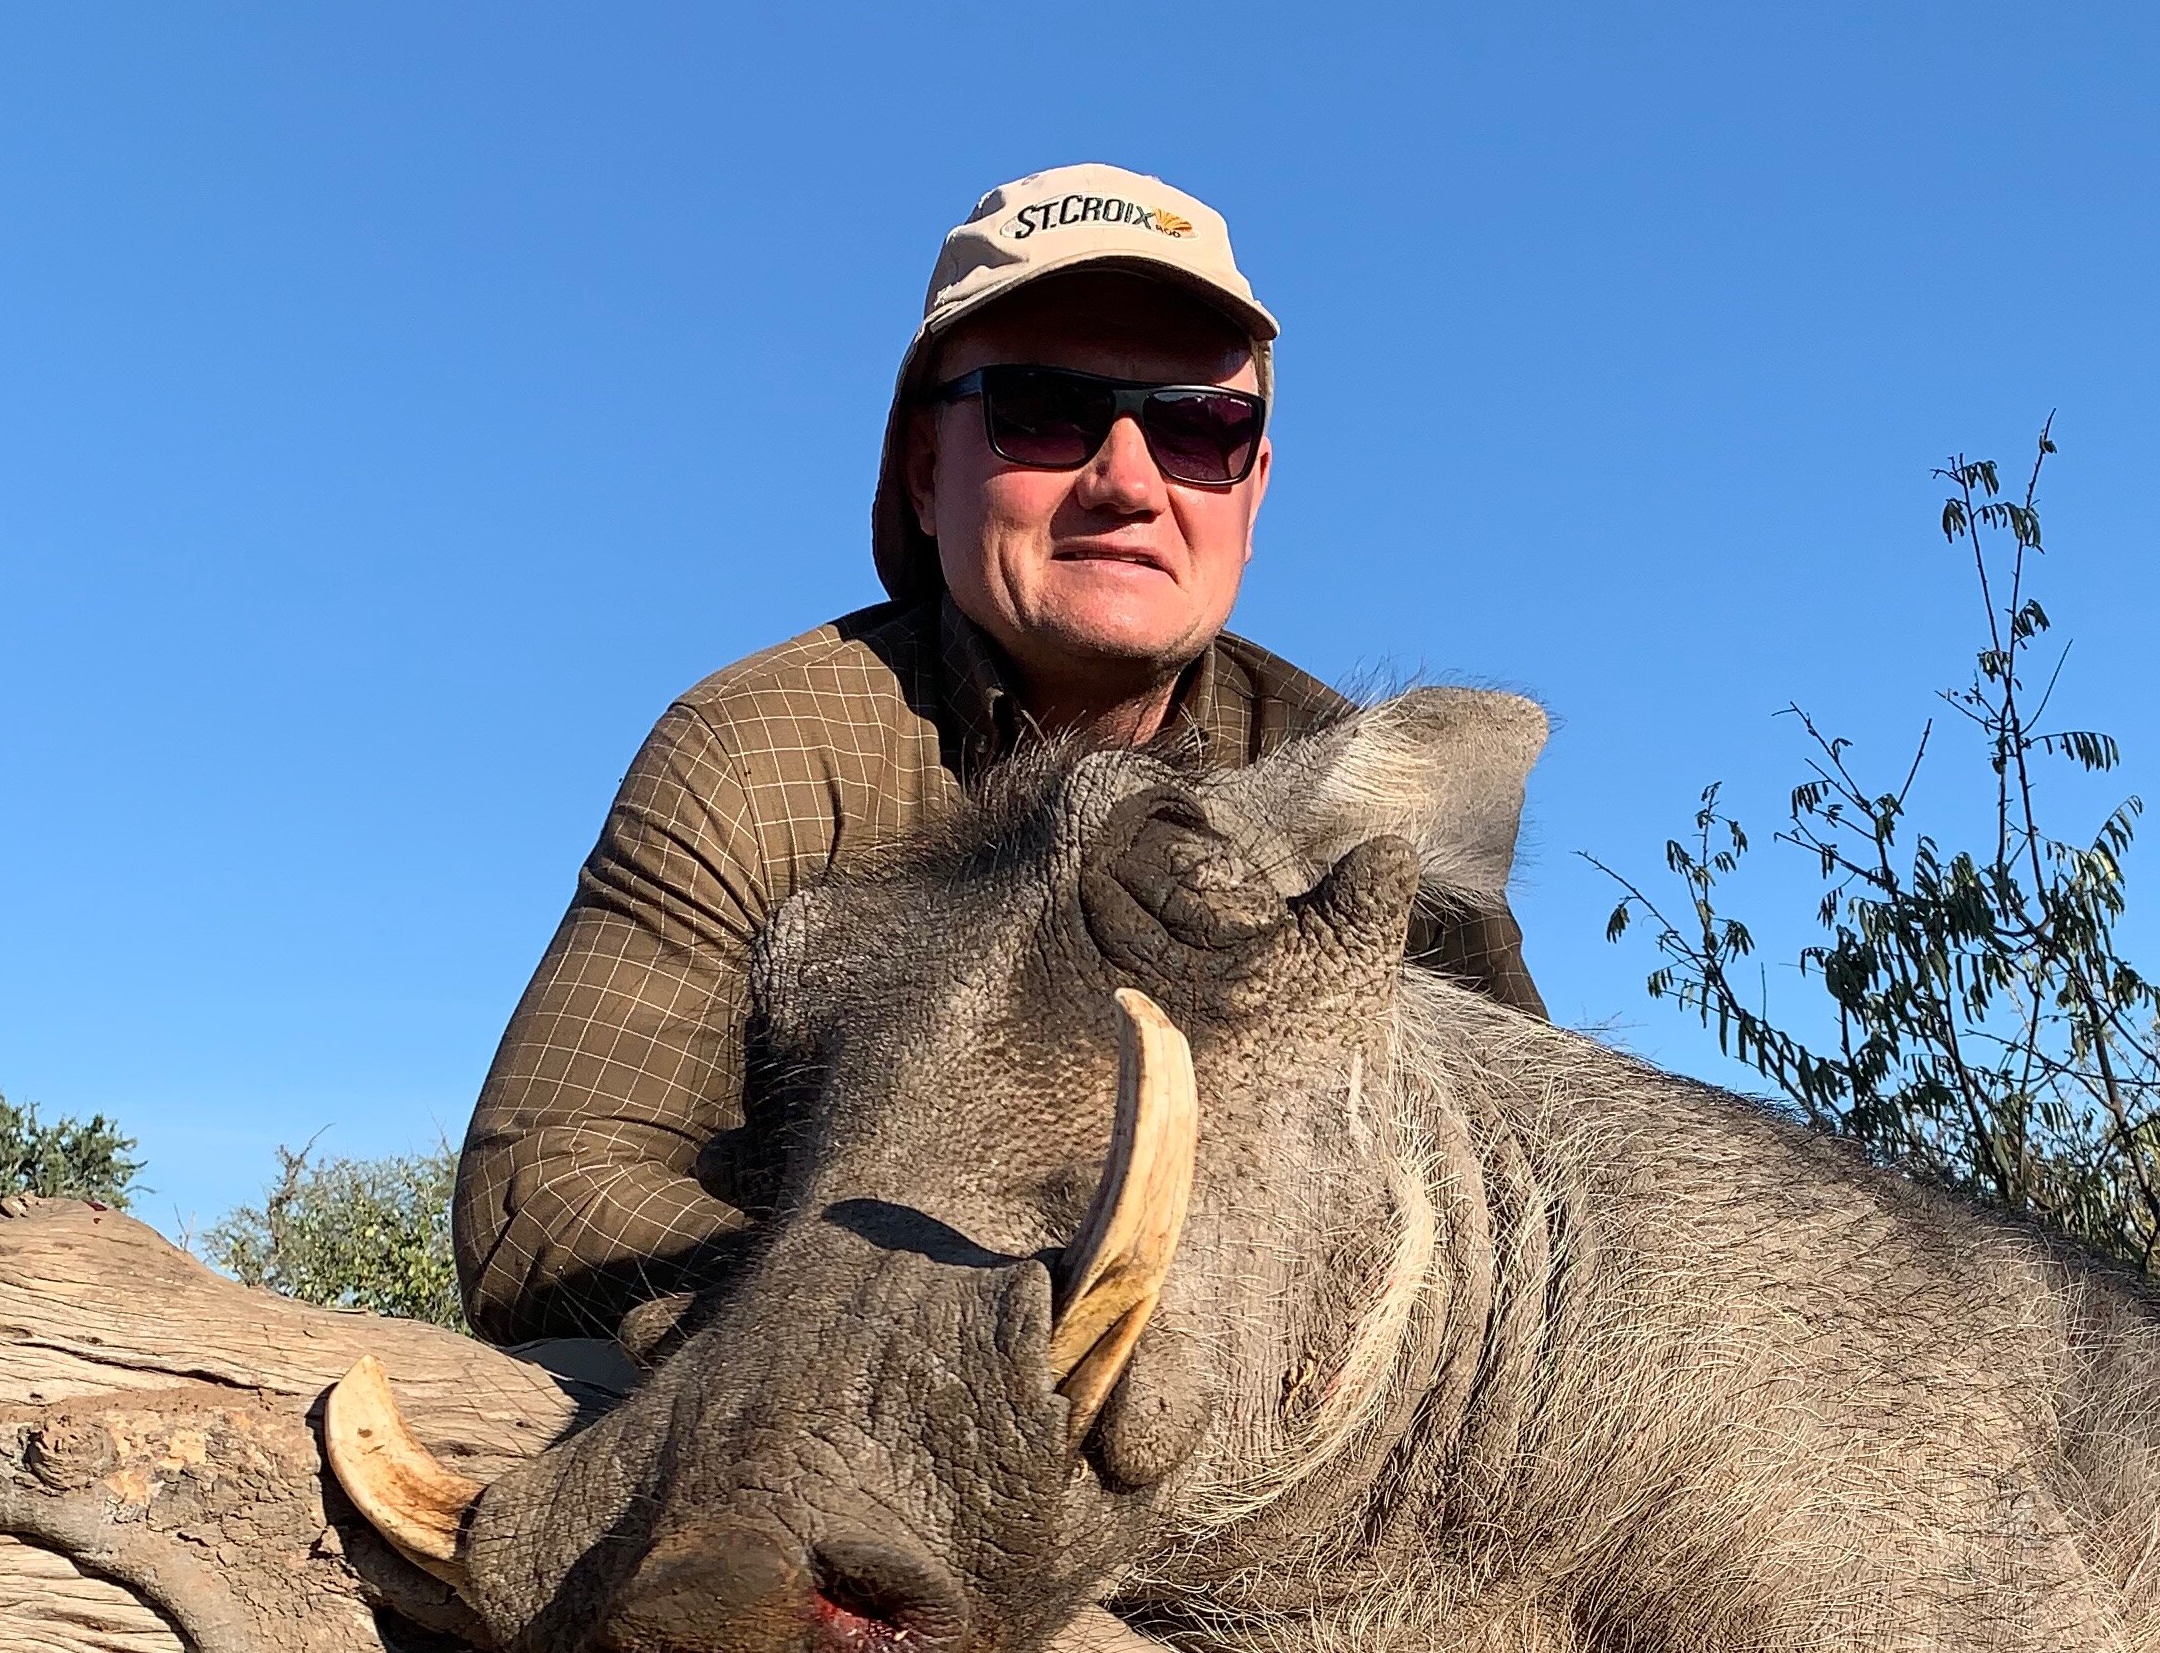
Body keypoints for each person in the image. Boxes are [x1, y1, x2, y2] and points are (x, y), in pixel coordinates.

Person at [455, 163, 1541, 1362]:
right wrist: (881, 1333)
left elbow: (1549, 1206)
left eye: (1198, 427)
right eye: (1041, 411)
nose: (1129, 482)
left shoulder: (1353, 773)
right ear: (925, 471)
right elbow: (545, 1179)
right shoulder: (758, 745)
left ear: (1255, 487)